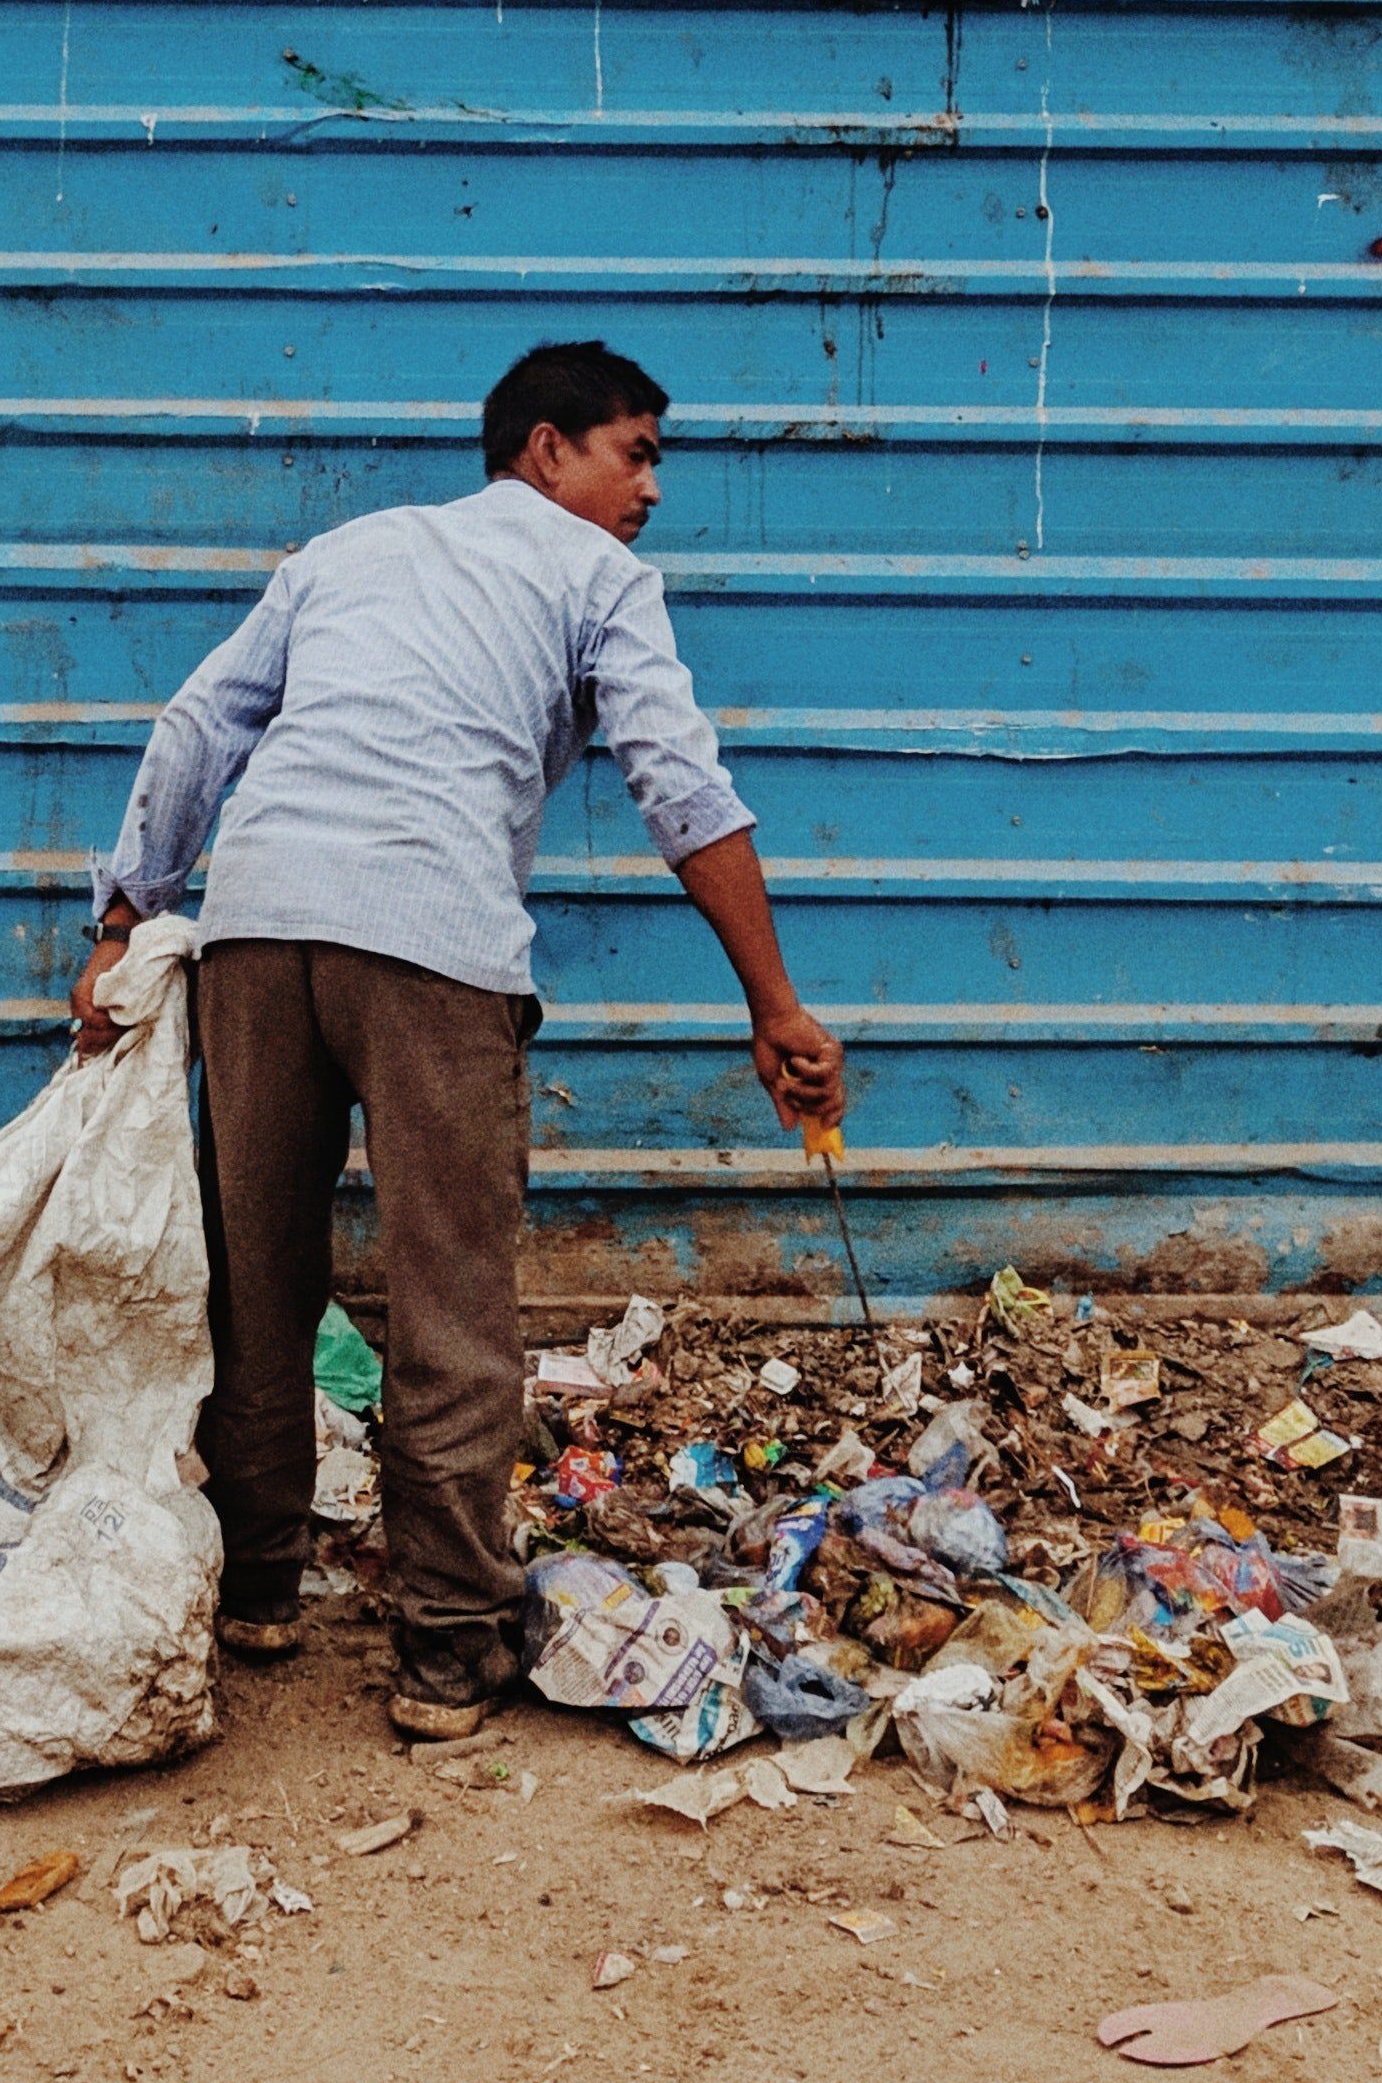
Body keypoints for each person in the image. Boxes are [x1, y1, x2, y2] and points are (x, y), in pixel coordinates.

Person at [71, 337, 846, 1742]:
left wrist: (125, 915)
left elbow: (204, 719)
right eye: (637, 451)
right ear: (546, 450)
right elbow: (681, 784)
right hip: (429, 942)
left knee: (261, 1275)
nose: (652, 488)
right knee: (451, 1306)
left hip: (257, 932)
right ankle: (442, 1648)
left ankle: (255, 1587)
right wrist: (773, 1001)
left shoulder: (345, 552)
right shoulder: (598, 577)